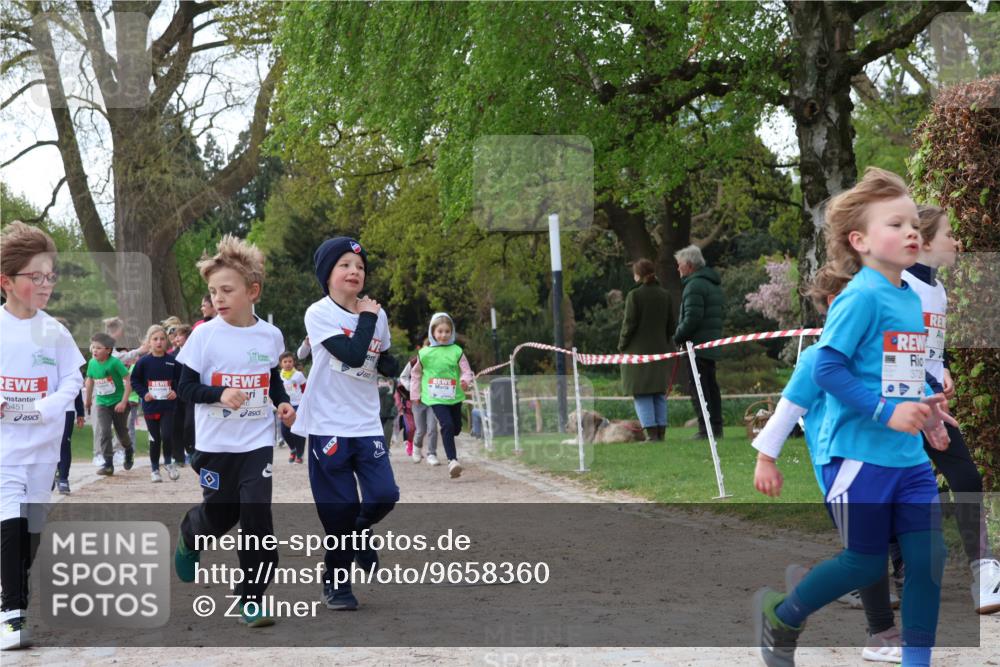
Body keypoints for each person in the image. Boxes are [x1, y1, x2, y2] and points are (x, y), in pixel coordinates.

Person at [752, 168, 954, 667]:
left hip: (907, 460)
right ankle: (783, 614)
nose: (911, 232)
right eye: (896, 224)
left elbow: (900, 369)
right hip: (856, 456)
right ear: (859, 240)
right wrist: (886, 412)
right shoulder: (860, 296)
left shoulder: (911, 296)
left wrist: (928, 407)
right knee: (864, 562)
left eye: (914, 224)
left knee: (928, 562)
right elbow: (824, 366)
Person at [752, 265, 906, 663]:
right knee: (866, 554)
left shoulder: (874, 353)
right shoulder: (820, 357)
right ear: (832, 307)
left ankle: (807, 587)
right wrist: (766, 459)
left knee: (874, 550)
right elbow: (787, 411)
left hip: (884, 463)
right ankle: (880, 633)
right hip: (842, 467)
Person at [172, 235, 294, 628]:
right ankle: (192, 533)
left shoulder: (270, 336)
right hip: (214, 444)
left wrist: (283, 401)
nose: (218, 298)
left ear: (252, 291)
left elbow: (271, 380)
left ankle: (250, 599)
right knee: (220, 515)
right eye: (213, 291)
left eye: (227, 290)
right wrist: (219, 393)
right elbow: (186, 388)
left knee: (257, 519)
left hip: (256, 443)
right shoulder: (205, 336)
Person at [291, 236, 400, 611]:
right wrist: (368, 317)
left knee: (385, 495)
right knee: (337, 513)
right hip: (327, 424)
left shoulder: (377, 315)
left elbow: (381, 359)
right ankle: (337, 585)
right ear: (327, 275)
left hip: (366, 423)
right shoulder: (319, 313)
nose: (355, 271)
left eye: (360, 267)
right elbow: (354, 356)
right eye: (345, 265)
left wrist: (397, 365)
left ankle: (358, 534)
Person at [903, 204, 1000, 614]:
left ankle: (984, 572)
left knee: (966, 477)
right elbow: (899, 350)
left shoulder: (937, 289)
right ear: (925, 242)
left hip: (931, 402)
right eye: (948, 234)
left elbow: (930, 346)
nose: (957, 242)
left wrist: (941, 369)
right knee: (895, 489)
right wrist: (926, 389)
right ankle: (880, 576)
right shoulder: (900, 286)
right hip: (901, 405)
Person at [1, 221, 85, 650]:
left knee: (30, 533)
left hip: (43, 450)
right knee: (11, 524)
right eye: (35, 277)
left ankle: (13, 594)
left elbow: (73, 377)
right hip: (5, 451)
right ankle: (12, 615)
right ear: (7, 282)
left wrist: (49, 406)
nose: (45, 284)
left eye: (50, 276)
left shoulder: (55, 332)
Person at [410, 313, 475, 478]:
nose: (443, 335)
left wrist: (465, 380)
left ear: (451, 332)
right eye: (440, 331)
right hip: (435, 397)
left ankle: (450, 443)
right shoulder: (424, 353)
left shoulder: (457, 351)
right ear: (433, 332)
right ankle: (452, 461)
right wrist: (415, 394)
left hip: (454, 396)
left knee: (455, 428)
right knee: (446, 425)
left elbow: (467, 371)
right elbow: (416, 374)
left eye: (447, 331)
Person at [618, 258, 675, 441]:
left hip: (637, 352)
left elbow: (629, 325)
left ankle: (651, 435)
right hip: (660, 350)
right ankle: (661, 433)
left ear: (638, 275)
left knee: (641, 392)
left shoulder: (634, 296)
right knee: (658, 392)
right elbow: (671, 326)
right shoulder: (665, 295)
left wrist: (622, 345)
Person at [672, 245, 724, 439]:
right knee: (711, 386)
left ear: (689, 265)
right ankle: (715, 427)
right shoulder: (711, 284)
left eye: (679, 265)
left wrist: (678, 336)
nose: (678, 269)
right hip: (710, 343)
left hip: (697, 345)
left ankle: (706, 429)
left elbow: (692, 318)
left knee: (699, 388)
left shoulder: (694, 286)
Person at [130, 325, 182, 483]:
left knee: (167, 435)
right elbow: (134, 380)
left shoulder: (173, 361)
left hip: (168, 406)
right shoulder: (143, 362)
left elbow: (181, 380)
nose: (159, 342)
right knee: (154, 438)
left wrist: (176, 392)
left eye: (162, 339)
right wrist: (144, 393)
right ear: (149, 342)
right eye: (155, 339)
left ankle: (168, 462)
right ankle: (154, 468)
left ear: (167, 341)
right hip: (150, 407)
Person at [84, 332, 134, 476]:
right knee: (104, 432)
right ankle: (108, 464)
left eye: (98, 348)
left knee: (121, 433)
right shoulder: (92, 363)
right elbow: (90, 380)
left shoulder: (115, 363)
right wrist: (88, 400)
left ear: (108, 349)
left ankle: (129, 450)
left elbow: (128, 380)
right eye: (93, 347)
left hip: (118, 403)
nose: (94, 350)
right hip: (102, 403)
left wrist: (124, 402)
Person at [404, 341, 440, 465]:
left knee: (432, 428)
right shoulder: (414, 361)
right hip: (418, 400)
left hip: (432, 399)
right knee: (421, 430)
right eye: (427, 347)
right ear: (422, 348)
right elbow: (403, 377)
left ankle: (432, 454)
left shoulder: (437, 362)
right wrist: (412, 389)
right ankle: (416, 450)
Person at [278, 351, 307, 464]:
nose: (288, 364)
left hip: (298, 405)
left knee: (298, 430)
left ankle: (299, 454)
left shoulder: (298, 375)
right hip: (285, 405)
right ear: (281, 364)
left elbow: (305, 389)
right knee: (285, 431)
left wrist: (305, 403)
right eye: (285, 362)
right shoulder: (279, 375)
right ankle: (293, 449)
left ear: (293, 362)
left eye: (290, 361)